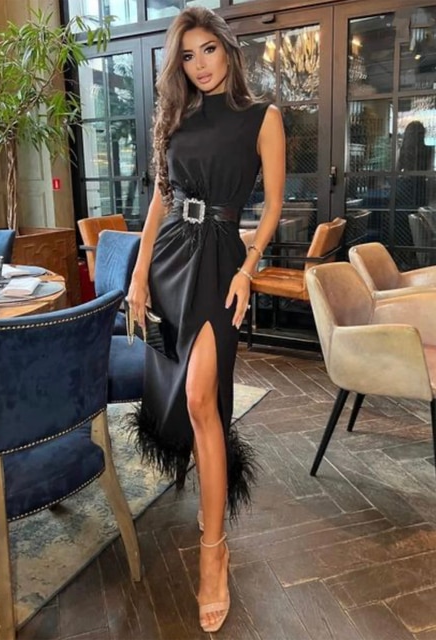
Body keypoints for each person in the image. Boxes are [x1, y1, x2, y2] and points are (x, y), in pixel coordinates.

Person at [126, 5, 285, 633]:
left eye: (208, 50)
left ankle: (212, 553)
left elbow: (273, 205)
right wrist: (138, 274)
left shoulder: (263, 117)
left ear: (228, 48)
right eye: (187, 57)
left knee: (200, 397)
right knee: (191, 399)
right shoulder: (176, 118)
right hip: (171, 260)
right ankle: (211, 503)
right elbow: (160, 200)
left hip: (220, 263)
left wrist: (248, 268)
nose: (199, 65)